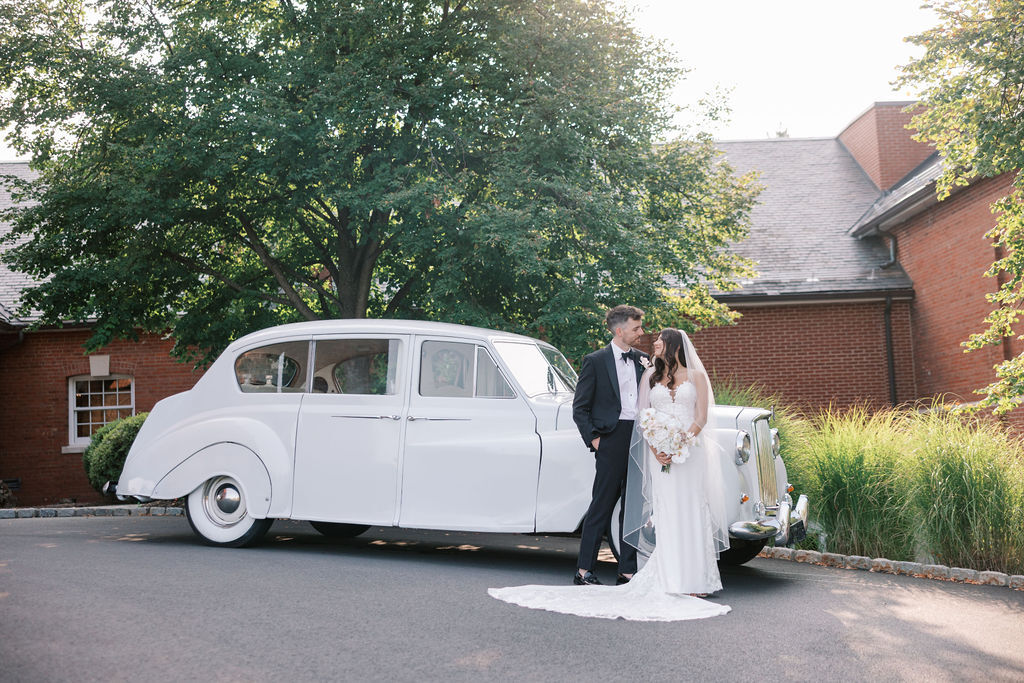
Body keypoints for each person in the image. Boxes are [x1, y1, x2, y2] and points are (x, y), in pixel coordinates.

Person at [488, 327, 731, 621]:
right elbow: (644, 417)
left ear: (674, 346)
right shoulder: (651, 375)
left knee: (691, 508)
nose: (652, 342)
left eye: (659, 340)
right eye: (648, 335)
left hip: (689, 452)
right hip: (660, 454)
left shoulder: (697, 377)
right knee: (666, 511)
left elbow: (701, 417)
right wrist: (658, 449)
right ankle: (670, 576)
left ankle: (696, 579)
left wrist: (681, 443)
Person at [570, 305, 647, 586]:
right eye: (636, 328)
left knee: (633, 508)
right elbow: (580, 408)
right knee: (601, 505)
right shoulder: (595, 361)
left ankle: (627, 572)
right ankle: (584, 571)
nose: (641, 332)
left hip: (638, 438)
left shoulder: (644, 360)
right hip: (610, 439)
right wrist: (596, 440)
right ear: (619, 330)